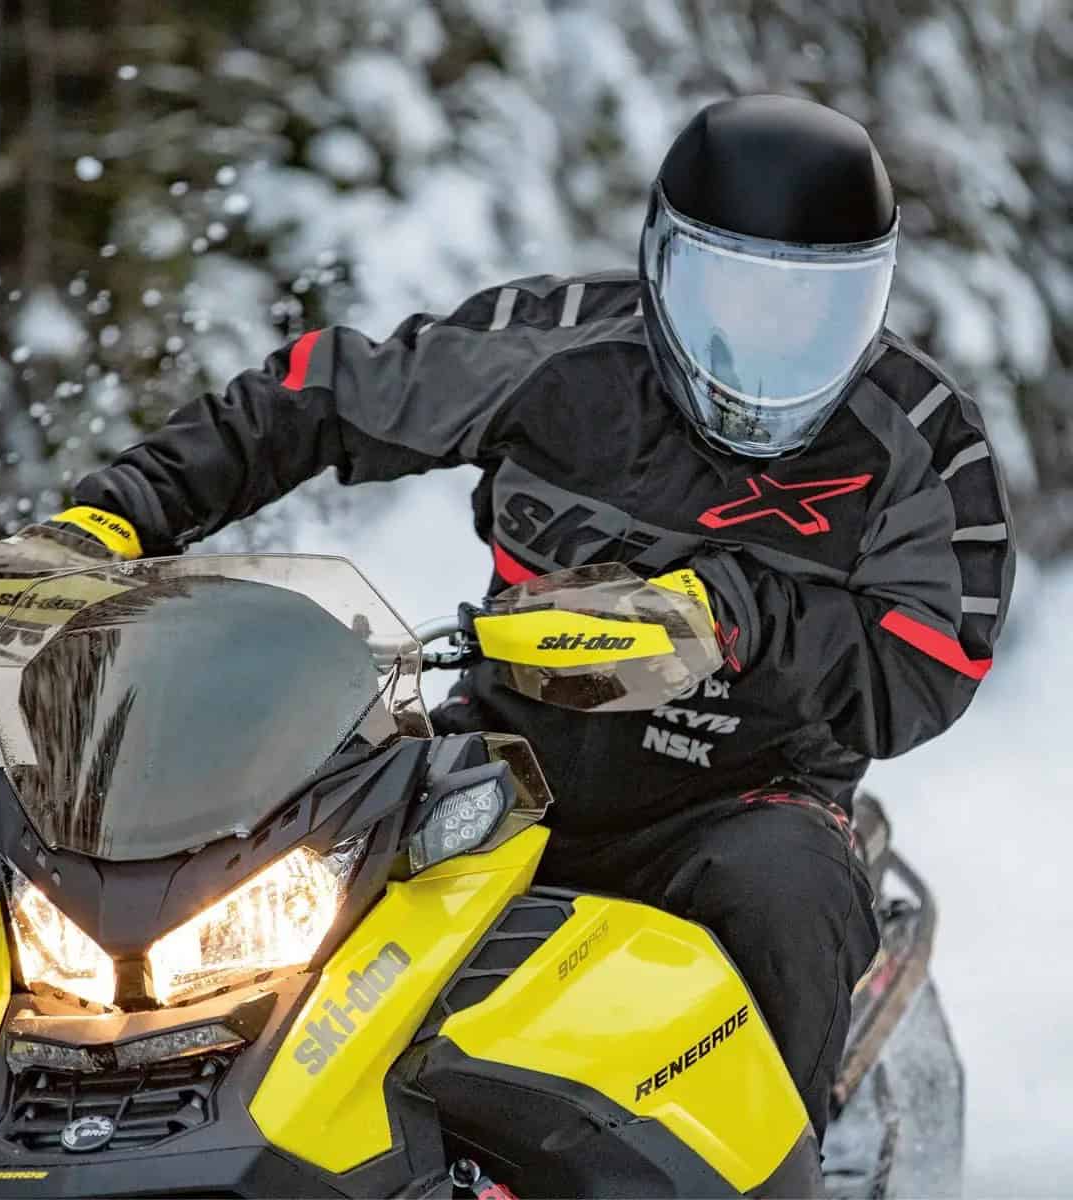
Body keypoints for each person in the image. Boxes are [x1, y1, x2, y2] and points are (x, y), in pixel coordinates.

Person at [53, 95, 1014, 1144]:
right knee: (264, 869)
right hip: (507, 766)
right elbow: (319, 397)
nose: (772, 337)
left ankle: (777, 1157)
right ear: (660, 264)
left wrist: (735, 620)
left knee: (785, 895)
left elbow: (933, 658)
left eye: (816, 308)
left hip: (743, 802)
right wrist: (120, 515)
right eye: (731, 292)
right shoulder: (555, 350)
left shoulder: (921, 438)